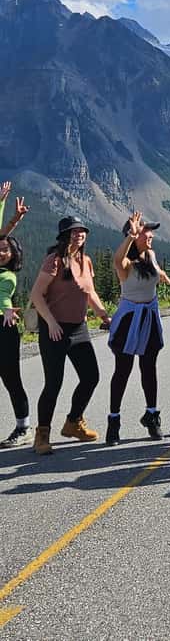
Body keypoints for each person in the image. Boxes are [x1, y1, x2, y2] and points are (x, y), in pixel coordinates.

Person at [29, 216, 112, 455]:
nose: (79, 234)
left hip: (79, 329)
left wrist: (104, 316)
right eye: (74, 231)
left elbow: (90, 292)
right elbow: (36, 295)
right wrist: (51, 322)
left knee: (91, 377)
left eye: (82, 231)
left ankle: (73, 422)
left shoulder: (85, 261)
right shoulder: (54, 261)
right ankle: (42, 435)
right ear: (64, 236)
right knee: (53, 383)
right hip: (54, 330)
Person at [105, 212, 170, 445]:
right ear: (133, 235)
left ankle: (151, 415)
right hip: (129, 319)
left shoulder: (150, 255)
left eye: (150, 232)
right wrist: (131, 237)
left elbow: (155, 271)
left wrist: (163, 275)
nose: (150, 235)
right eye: (146, 232)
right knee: (123, 370)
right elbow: (117, 260)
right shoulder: (126, 263)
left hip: (149, 317)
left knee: (149, 367)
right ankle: (114, 421)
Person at [0, 183, 30, 448]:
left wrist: (6, 309)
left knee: (11, 379)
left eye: (5, 250)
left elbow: (2, 296)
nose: (1, 253)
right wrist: (9, 213)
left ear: (12, 255)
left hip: (5, 326)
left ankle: (23, 427)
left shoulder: (8, 276)